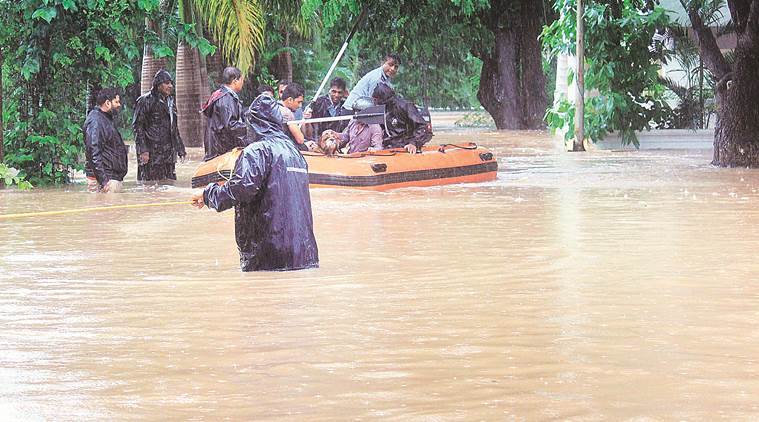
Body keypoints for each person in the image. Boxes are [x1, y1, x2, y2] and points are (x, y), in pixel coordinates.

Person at [191, 94, 319, 272]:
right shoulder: (295, 153)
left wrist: (207, 194)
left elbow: (241, 188)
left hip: (271, 253)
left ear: (253, 123)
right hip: (305, 253)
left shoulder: (257, 151)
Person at [132, 69, 186, 182]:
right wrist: (143, 150)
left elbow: (174, 128)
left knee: (168, 184)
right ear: (158, 85)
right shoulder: (145, 100)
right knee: (150, 185)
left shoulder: (170, 102)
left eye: (171, 83)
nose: (170, 86)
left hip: (168, 154)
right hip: (152, 153)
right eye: (166, 83)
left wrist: (180, 148)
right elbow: (138, 127)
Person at [84, 88, 128, 193]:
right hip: (106, 180)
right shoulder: (96, 121)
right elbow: (93, 152)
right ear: (107, 103)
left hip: (110, 177)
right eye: (116, 102)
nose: (119, 105)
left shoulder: (105, 119)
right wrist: (103, 181)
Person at [200, 66, 248, 161]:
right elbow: (230, 124)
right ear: (235, 80)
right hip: (220, 147)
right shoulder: (226, 98)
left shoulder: (221, 94)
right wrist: (249, 131)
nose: (243, 82)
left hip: (216, 144)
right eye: (241, 80)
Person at [372, 82, 433, 154]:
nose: (375, 103)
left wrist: (413, 143)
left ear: (382, 99)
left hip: (405, 147)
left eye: (376, 100)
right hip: (389, 148)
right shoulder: (383, 109)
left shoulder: (405, 106)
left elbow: (422, 126)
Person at [278, 82, 317, 151]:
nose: (300, 106)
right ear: (290, 100)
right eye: (299, 102)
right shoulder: (287, 113)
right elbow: (300, 140)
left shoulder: (273, 107)